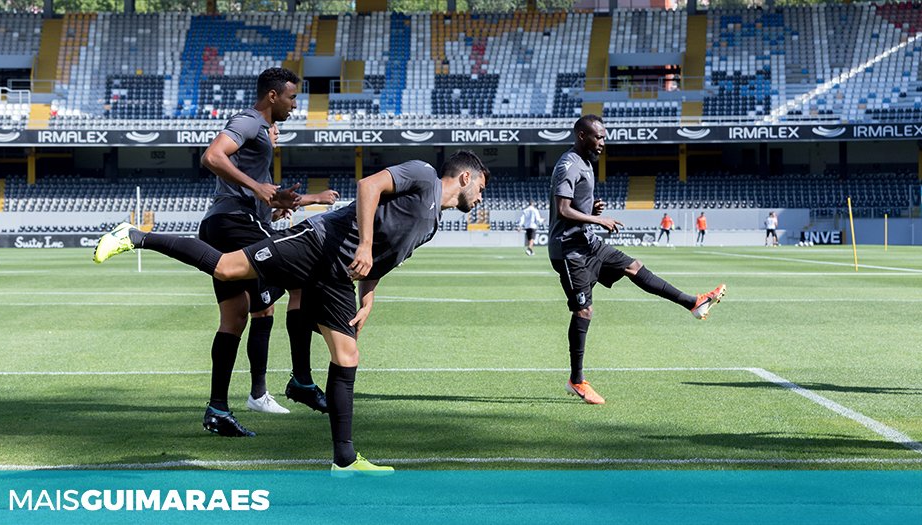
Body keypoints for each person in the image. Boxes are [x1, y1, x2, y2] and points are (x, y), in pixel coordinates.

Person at [93, 150, 490, 473]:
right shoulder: (422, 174)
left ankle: (345, 459)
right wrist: (364, 245)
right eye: (481, 189)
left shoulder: (432, 224)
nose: (480, 200)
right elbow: (368, 186)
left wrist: (369, 296)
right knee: (227, 268)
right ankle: (135, 235)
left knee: (347, 355)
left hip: (338, 276)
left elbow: (382, 260)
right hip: (317, 243)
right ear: (465, 177)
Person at [196, 66, 337, 438]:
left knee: (237, 317)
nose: (295, 104)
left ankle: (218, 409)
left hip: (225, 223)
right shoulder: (248, 121)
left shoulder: (262, 134)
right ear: (273, 96)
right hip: (234, 222)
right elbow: (212, 156)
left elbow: (261, 193)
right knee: (304, 274)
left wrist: (282, 201)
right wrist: (258, 189)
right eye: (292, 97)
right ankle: (302, 381)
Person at [548, 115, 726, 405]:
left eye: (604, 137)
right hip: (570, 251)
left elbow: (575, 207)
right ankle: (576, 381)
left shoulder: (586, 163)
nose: (603, 142)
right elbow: (562, 210)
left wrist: (591, 209)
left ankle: (693, 303)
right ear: (581, 136)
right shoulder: (568, 164)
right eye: (598, 137)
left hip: (588, 242)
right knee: (583, 311)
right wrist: (598, 219)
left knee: (633, 266)